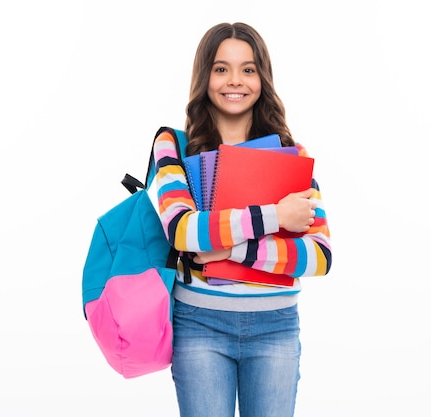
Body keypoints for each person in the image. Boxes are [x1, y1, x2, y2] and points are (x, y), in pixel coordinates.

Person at [152, 22, 331, 417]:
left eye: (248, 69)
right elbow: (183, 231)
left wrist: (225, 250)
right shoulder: (174, 146)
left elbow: (319, 257)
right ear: (204, 77)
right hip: (201, 325)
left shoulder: (292, 153)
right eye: (221, 69)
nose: (235, 81)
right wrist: (276, 216)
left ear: (262, 78)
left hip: (276, 327)